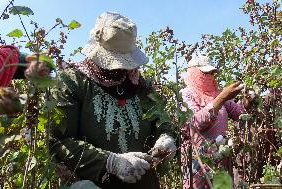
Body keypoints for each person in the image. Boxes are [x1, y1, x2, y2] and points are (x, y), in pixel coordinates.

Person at [49, 12, 176, 189]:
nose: (121, 69)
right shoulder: (72, 82)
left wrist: (166, 136)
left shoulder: (141, 85)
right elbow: (59, 141)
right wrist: (110, 162)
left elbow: (161, 120)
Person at [180, 54, 254, 189]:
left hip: (221, 158)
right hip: (198, 161)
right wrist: (221, 98)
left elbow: (239, 114)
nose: (211, 77)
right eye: (206, 73)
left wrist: (248, 102)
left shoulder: (216, 93)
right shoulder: (186, 94)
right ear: (195, 73)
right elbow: (194, 123)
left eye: (213, 73)